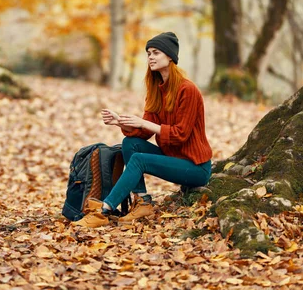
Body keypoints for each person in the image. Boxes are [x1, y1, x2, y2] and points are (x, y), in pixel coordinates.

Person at [73, 32, 213, 227]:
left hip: (195, 167)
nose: (150, 57)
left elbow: (180, 135)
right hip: (173, 159)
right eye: (148, 53)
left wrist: (143, 123)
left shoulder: (187, 90)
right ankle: (142, 202)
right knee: (130, 143)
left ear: (170, 56)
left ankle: (104, 210)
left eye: (156, 52)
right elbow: (144, 132)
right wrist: (120, 122)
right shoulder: (157, 89)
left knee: (139, 159)